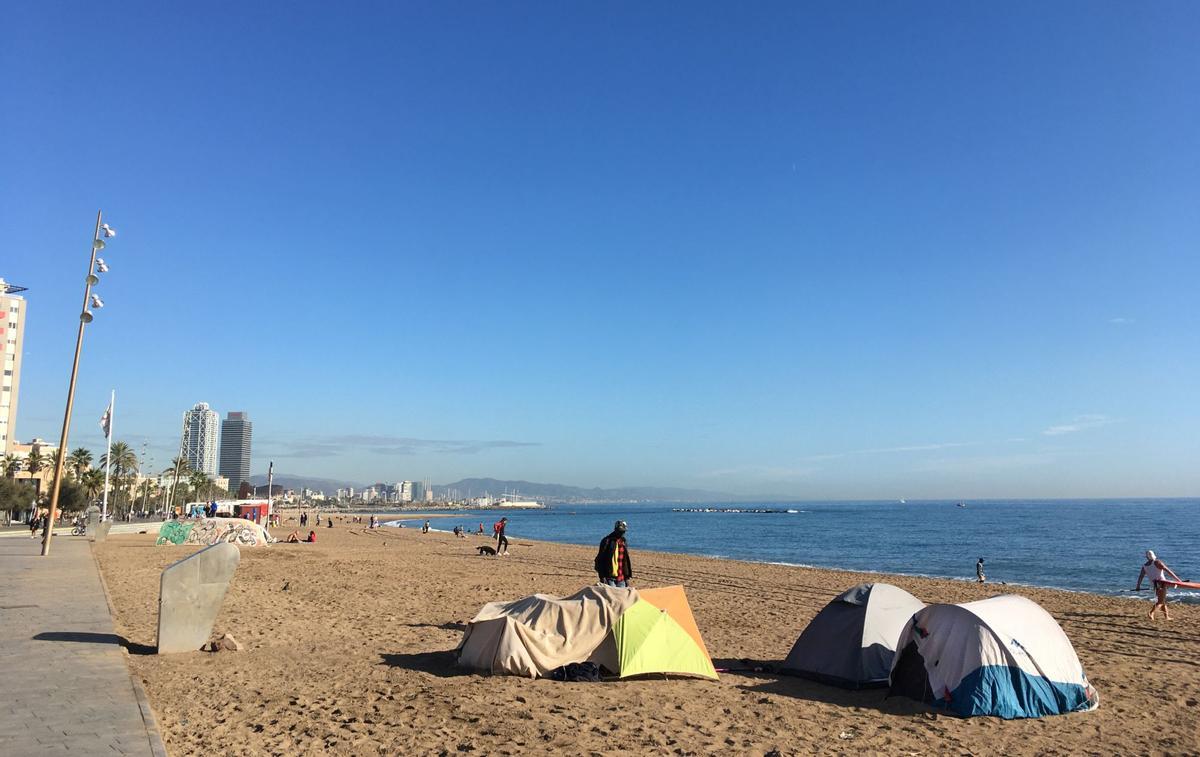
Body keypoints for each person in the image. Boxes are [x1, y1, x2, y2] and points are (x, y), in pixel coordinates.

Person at [1136, 549, 1183, 620]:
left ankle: (1166, 617)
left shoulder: (1144, 566)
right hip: (1162, 583)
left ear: (1147, 557)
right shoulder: (1157, 562)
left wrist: (1138, 586)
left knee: (1162, 600)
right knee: (1161, 601)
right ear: (1153, 555)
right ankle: (1151, 613)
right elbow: (1168, 571)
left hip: (1154, 585)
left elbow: (1141, 576)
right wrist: (1178, 580)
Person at [595, 520, 632, 587]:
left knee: (621, 597)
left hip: (621, 577)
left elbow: (625, 561)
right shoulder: (607, 541)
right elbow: (600, 559)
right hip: (609, 577)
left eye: (624, 531)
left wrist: (626, 578)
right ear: (615, 530)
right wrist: (602, 576)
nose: (622, 533)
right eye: (620, 531)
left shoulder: (623, 542)